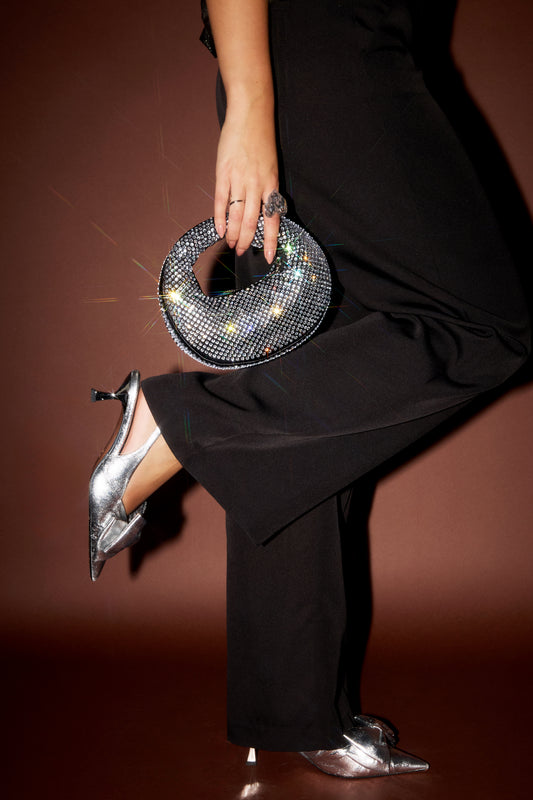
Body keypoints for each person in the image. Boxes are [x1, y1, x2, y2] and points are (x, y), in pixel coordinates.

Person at [89, 0, 530, 780]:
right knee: (486, 321)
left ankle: (296, 710)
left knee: (311, 359)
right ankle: (180, 422)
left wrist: (255, 98)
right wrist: (251, 107)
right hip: (332, 47)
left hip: (308, 61)